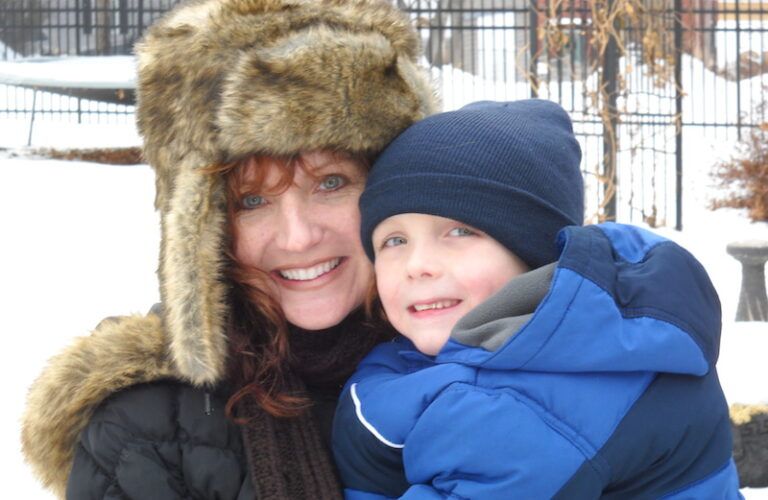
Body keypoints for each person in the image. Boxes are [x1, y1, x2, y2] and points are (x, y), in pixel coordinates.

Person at [20, 0, 436, 498]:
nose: (298, 236)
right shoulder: (144, 429)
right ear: (201, 230)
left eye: (331, 183)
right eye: (252, 200)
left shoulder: (505, 366)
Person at [332, 100, 744, 498]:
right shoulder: (478, 364)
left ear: (534, 255)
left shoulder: (524, 408)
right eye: (394, 240)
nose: (417, 264)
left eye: (459, 232)